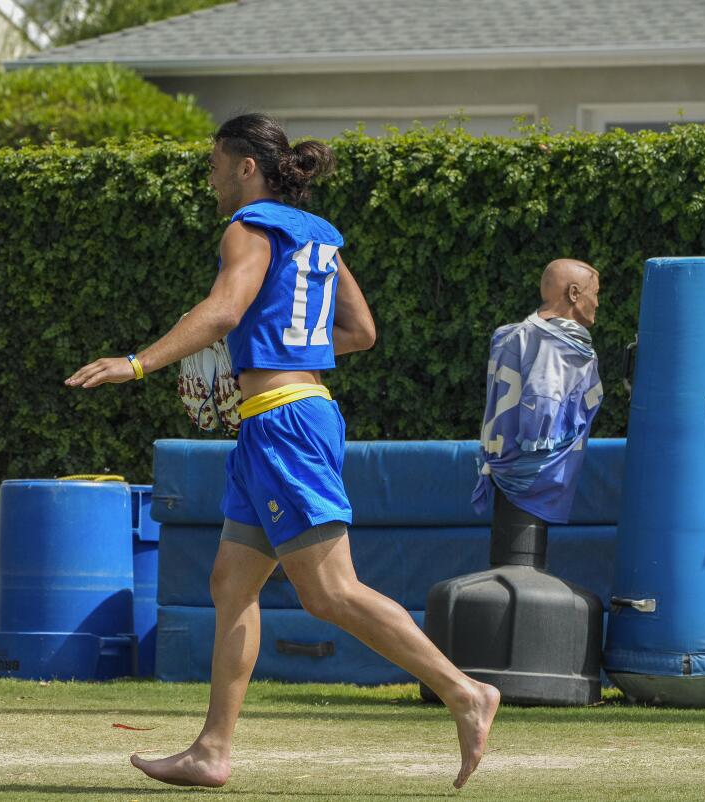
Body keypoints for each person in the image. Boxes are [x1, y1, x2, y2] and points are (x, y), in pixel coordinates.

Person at [65, 113, 499, 790]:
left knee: (330, 593)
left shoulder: (248, 226)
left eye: (214, 164)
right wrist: (281, 354)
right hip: (285, 419)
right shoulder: (319, 236)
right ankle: (212, 751)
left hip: (283, 425)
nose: (208, 178)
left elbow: (222, 312)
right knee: (231, 584)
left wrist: (137, 362)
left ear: (246, 166)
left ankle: (464, 692)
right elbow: (361, 331)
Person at [472, 259, 604, 523]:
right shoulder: (557, 343)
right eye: (595, 293)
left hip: (500, 465)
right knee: (524, 558)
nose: (598, 303)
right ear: (574, 293)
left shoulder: (509, 335)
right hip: (532, 476)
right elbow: (542, 402)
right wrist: (540, 440)